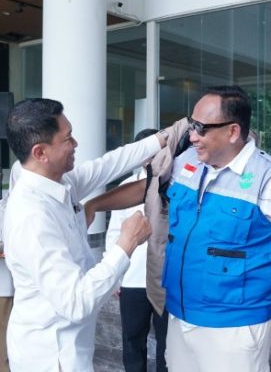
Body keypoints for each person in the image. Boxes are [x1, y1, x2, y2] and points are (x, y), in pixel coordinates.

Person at [87, 86, 271, 372]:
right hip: (179, 312)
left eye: (202, 129)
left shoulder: (270, 179)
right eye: (192, 126)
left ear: (233, 131)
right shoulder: (188, 161)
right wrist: (94, 205)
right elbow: (148, 188)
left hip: (233, 325)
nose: (192, 136)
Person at [3, 98, 174, 371]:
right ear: (40, 152)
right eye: (67, 138)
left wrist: (168, 135)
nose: (76, 144)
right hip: (51, 357)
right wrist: (125, 244)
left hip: (73, 348)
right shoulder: (32, 216)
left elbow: (110, 163)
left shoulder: (60, 183)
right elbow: (76, 302)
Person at [105, 128, 168, 372]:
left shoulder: (176, 185)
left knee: (168, 345)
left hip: (165, 281)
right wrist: (115, 276)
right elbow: (114, 233)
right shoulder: (127, 187)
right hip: (132, 279)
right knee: (132, 341)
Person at [0, 160, 21, 372]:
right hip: (8, 286)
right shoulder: (2, 209)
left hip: (37, 286)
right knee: (4, 341)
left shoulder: (50, 206)